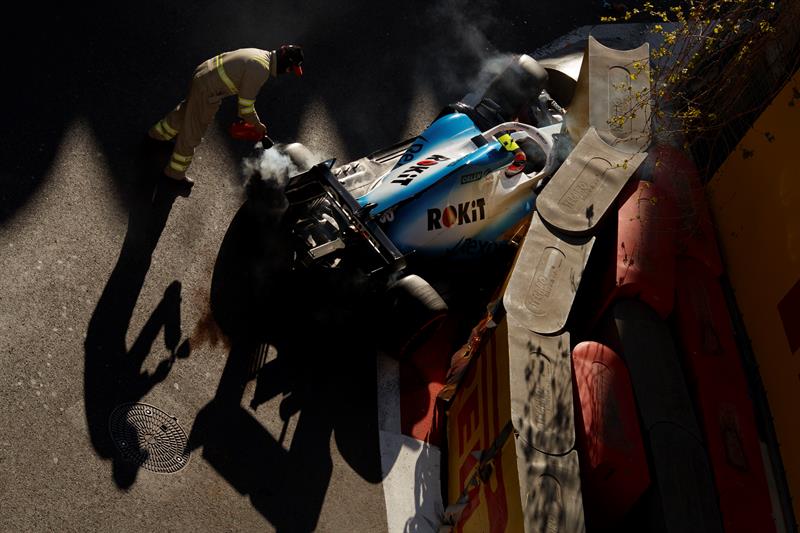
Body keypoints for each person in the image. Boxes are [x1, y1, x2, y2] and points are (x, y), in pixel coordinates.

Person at [148, 45, 304, 185]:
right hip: (208, 90)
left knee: (187, 111)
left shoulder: (261, 54)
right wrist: (257, 125)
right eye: (291, 69)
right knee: (193, 131)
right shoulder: (260, 70)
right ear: (286, 64)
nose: (288, 72)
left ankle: (158, 135)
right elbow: (245, 107)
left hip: (203, 73)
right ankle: (174, 175)